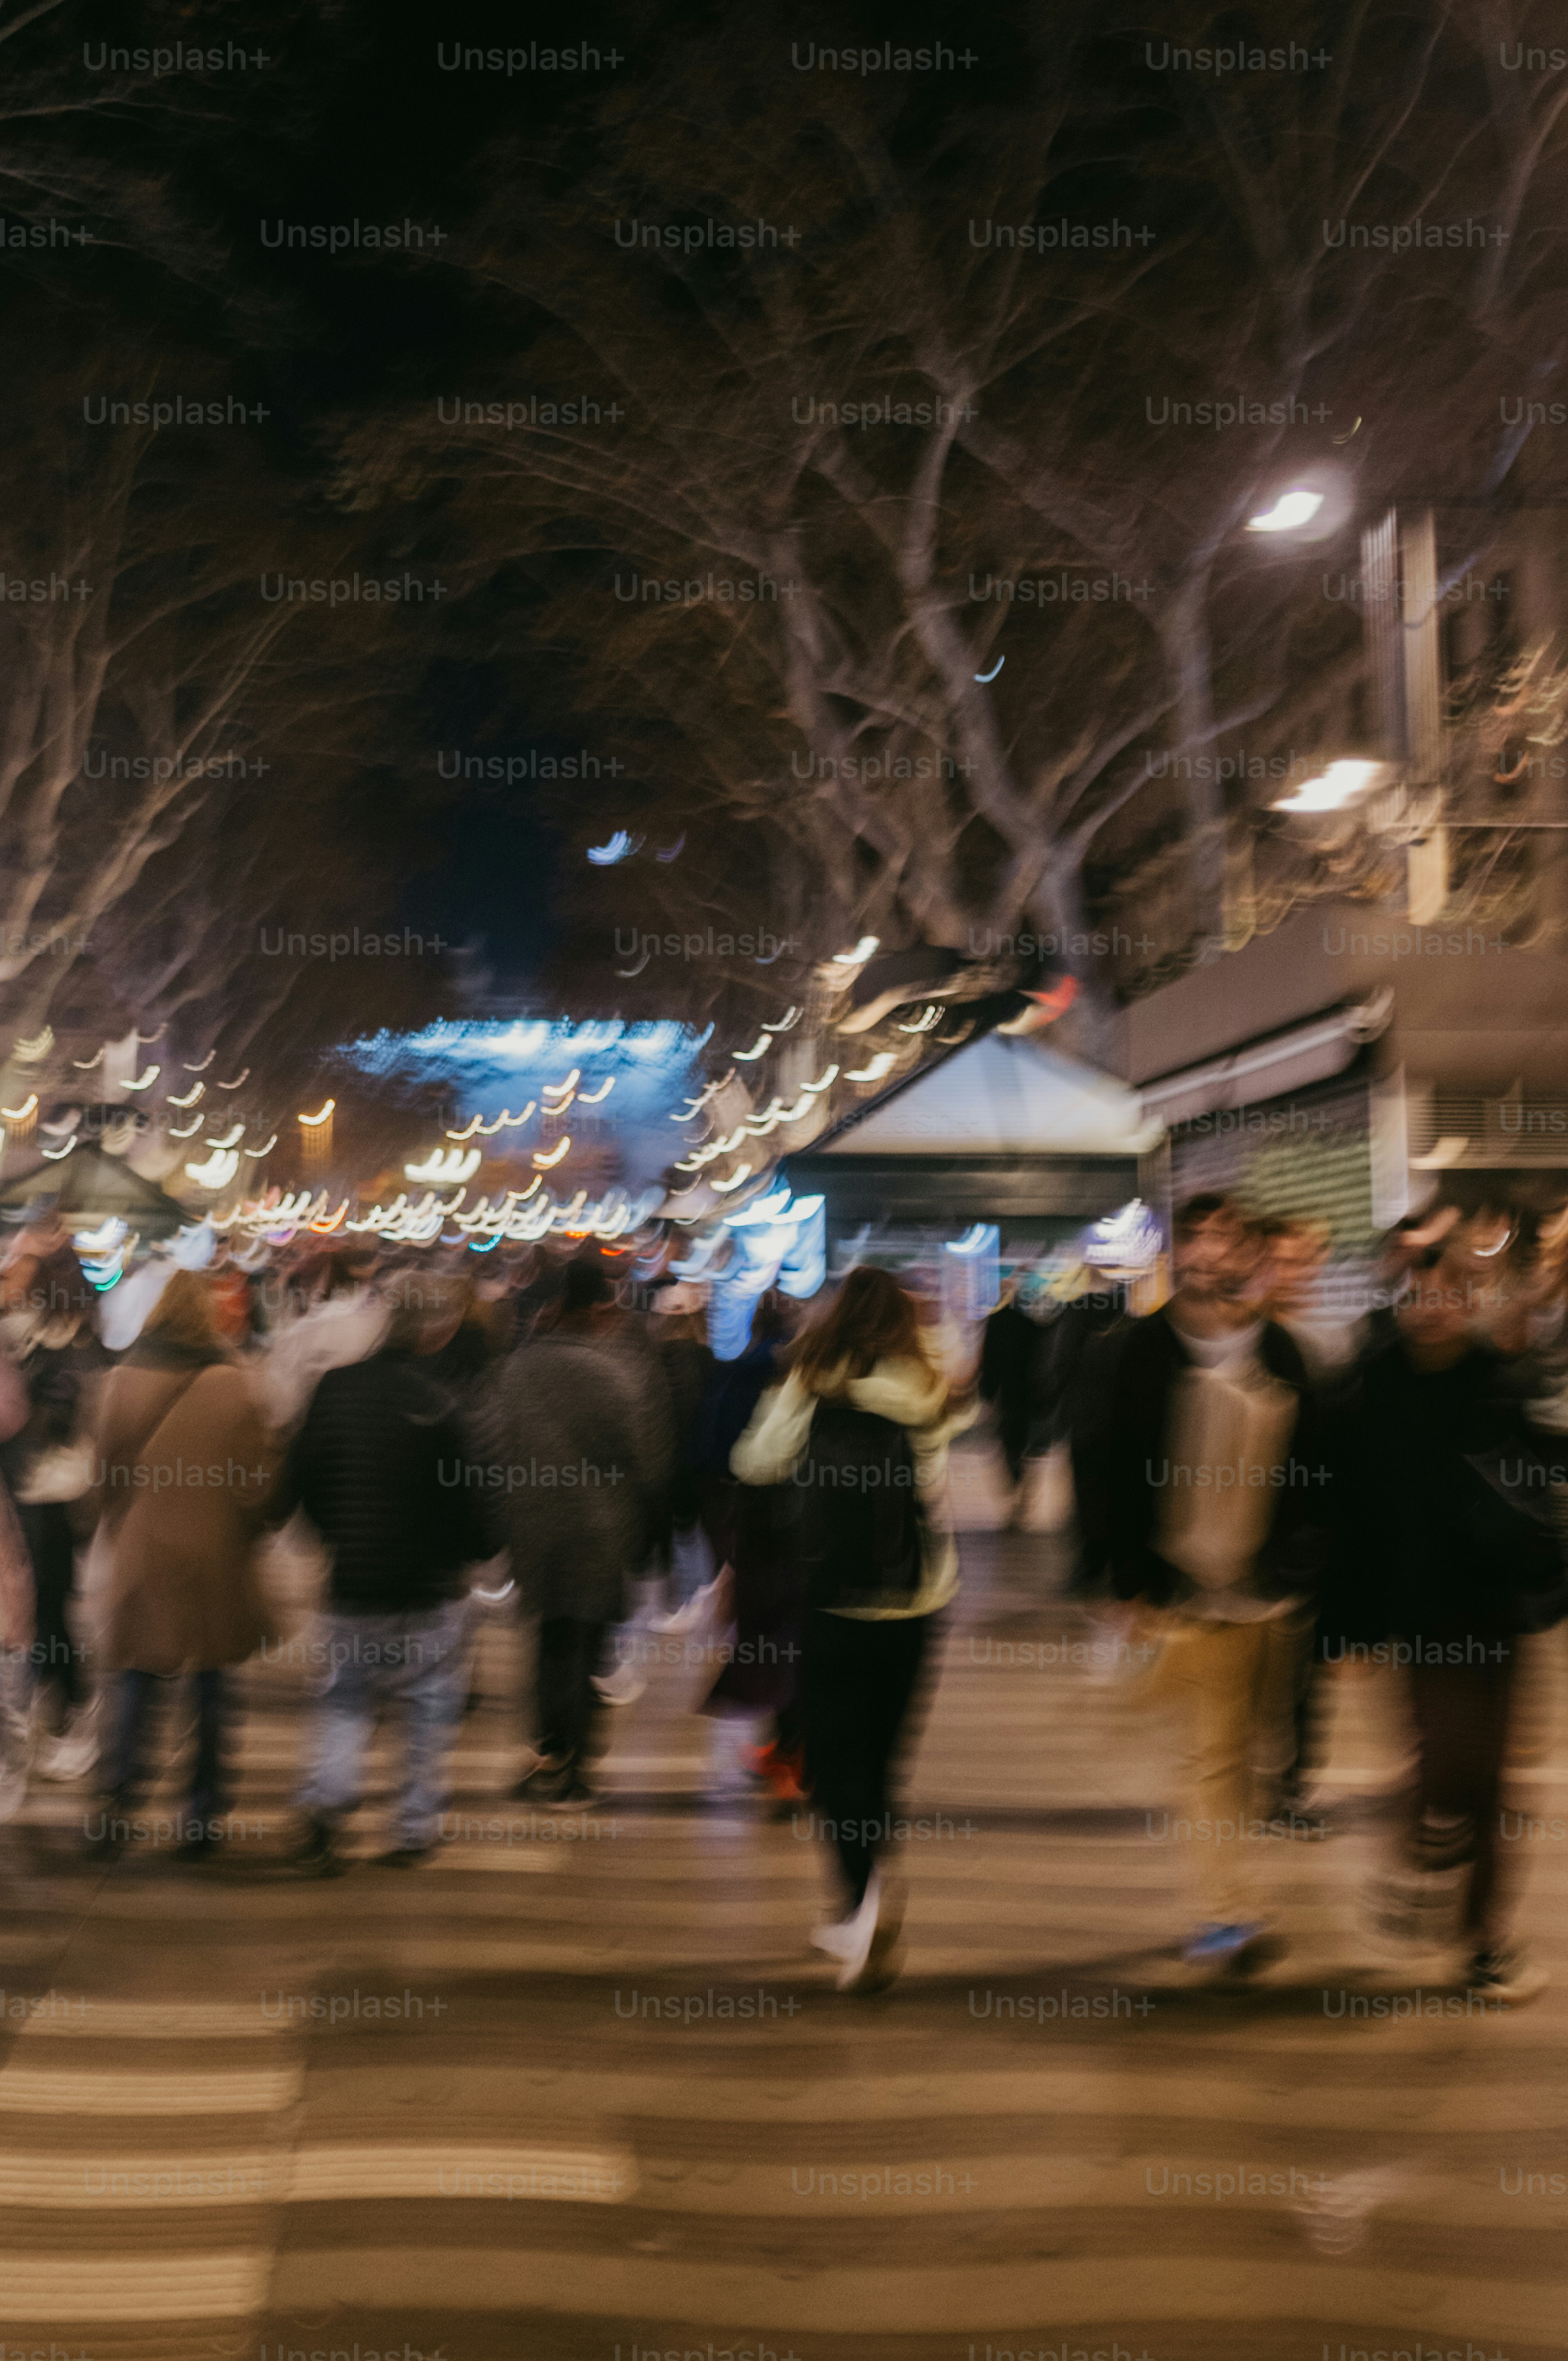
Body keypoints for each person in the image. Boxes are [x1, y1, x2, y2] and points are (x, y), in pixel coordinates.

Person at [1325, 1229, 1567, 2002]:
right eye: (1420, 1295)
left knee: (1498, 1778)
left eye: (1452, 1295)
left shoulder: (1505, 1380)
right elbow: (1344, 1519)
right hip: (1415, 1613)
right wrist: (1346, 1625)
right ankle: (1421, 1854)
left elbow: (1547, 1488)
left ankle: (1483, 1941)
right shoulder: (1368, 1389)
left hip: (1498, 1609)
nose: (1434, 1309)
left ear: (1472, 1302)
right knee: (1446, 1762)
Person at [1094, 1194, 1323, 1972]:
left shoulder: (1285, 1351)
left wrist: (1317, 1570)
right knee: (1211, 1757)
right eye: (1193, 1238)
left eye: (1225, 1239)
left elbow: (1325, 1478)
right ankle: (1227, 1913)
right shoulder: (1140, 1350)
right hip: (1184, 1593)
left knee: (1266, 1751)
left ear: (1250, 1255)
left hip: (1274, 1594)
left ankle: (1233, 1891)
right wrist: (1122, 1581)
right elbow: (1108, 1468)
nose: (1208, 1255)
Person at [732, 1267, 973, 1992]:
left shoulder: (811, 1381)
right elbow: (936, 1470)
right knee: (882, 1760)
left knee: (837, 1764)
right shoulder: (926, 1387)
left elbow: (754, 1463)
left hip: (831, 1600)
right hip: (919, 1601)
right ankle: (860, 1905)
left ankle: (863, 1900)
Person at [273, 1270, 493, 1870]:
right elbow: (469, 1507)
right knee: (427, 1703)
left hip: (353, 1577)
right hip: (429, 1585)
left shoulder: (335, 1389)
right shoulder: (441, 1405)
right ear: (435, 1330)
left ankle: (328, 1804)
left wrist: (332, 1533)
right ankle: (413, 1827)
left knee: (345, 1698)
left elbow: (303, 1475)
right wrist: (472, 1550)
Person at [89, 1271, 279, 1861]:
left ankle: (119, 1802)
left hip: (144, 1553)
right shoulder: (239, 1385)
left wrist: (128, 1523)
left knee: (138, 1680)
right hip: (216, 1553)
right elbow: (259, 1487)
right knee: (214, 1683)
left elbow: (105, 1480)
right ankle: (202, 1813)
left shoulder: (119, 1382)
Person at [479, 1259, 649, 1806]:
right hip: (599, 1530)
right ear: (599, 1310)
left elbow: (492, 1449)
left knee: (549, 1645)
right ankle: (575, 1768)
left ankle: (548, 1750)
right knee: (588, 1647)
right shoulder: (618, 1371)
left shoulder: (516, 1371)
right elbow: (645, 1457)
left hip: (534, 1527)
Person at [0, 1291, 111, 1781]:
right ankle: (53, 1710)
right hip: (30, 1500)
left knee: (47, 1610)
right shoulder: (35, 1352)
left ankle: (68, 1712)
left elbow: (48, 1422)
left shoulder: (69, 1356)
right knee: (38, 1612)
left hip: (47, 1501)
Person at [977, 1276, 1042, 1525]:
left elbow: (990, 1360)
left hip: (1006, 1395)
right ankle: (1021, 1488)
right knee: (1023, 1444)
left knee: (1005, 1444)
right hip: (1026, 1394)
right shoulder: (1030, 1325)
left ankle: (1014, 1489)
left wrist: (988, 1392)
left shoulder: (996, 1322)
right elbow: (1039, 1362)